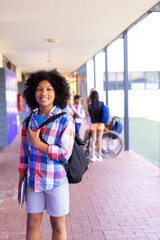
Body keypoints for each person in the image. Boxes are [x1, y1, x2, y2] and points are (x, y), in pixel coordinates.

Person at [17, 69, 75, 240]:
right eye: (39, 89)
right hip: (33, 181)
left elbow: (64, 153)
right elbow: (23, 155)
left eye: (49, 89)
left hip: (56, 181)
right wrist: (20, 183)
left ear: (57, 93)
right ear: (33, 92)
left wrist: (38, 144)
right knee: (32, 223)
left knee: (57, 225)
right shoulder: (29, 120)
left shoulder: (65, 119)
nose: (44, 93)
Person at [88, 90, 105, 162]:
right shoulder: (102, 103)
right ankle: (99, 156)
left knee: (93, 140)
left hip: (93, 124)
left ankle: (93, 156)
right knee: (99, 139)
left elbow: (89, 114)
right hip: (100, 124)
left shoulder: (89, 105)